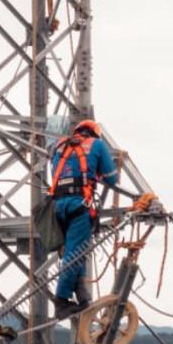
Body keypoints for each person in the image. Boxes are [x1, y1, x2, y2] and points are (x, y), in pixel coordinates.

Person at [48, 119, 119, 319]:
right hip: (79, 205)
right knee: (76, 254)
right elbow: (112, 178)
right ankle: (61, 300)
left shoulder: (59, 146)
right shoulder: (97, 145)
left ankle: (81, 296)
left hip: (57, 207)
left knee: (73, 251)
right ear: (95, 134)